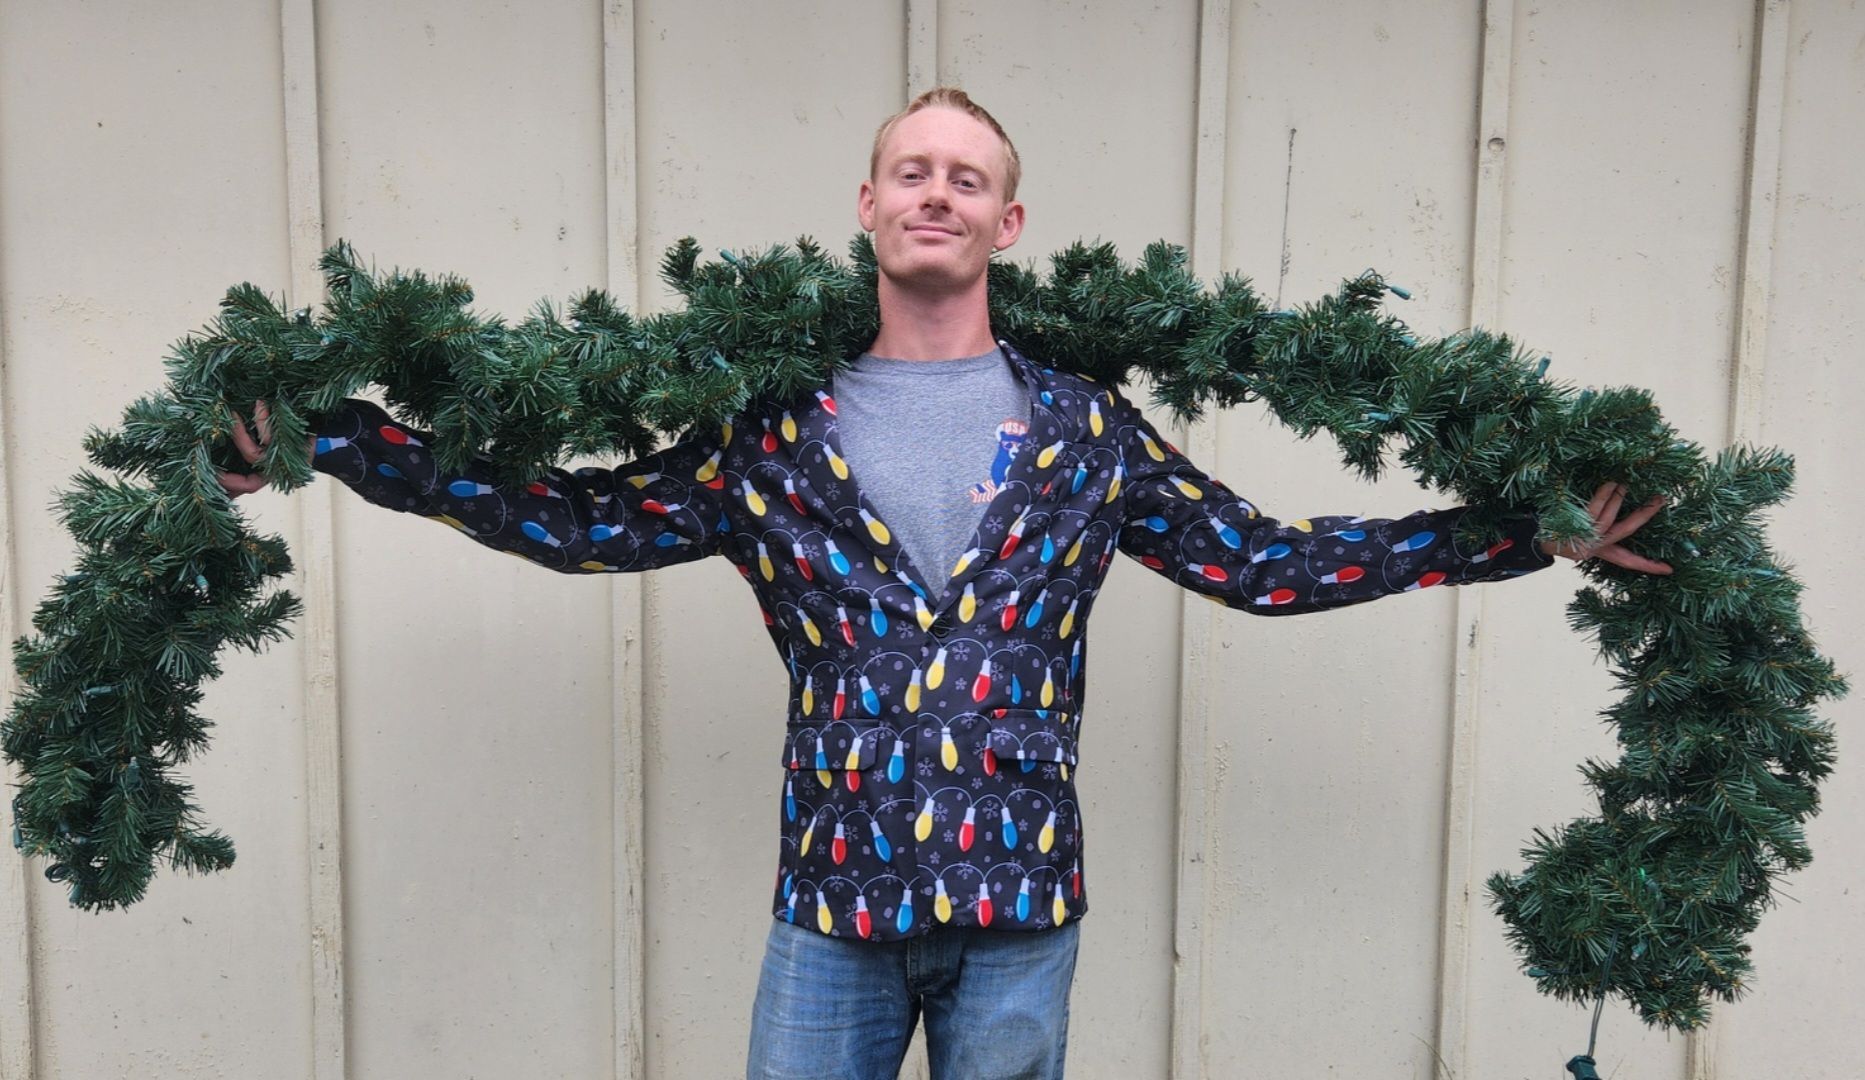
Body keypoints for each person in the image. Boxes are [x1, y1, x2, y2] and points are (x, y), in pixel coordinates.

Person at [220, 88, 1668, 1080]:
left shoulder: (1084, 432)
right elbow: (577, 521)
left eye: (965, 177)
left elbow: (1263, 564)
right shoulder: (767, 431)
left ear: (1005, 224)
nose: (936, 193)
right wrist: (326, 439)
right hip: (828, 907)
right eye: (911, 171)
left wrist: (1519, 529)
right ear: (866, 204)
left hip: (1019, 910)